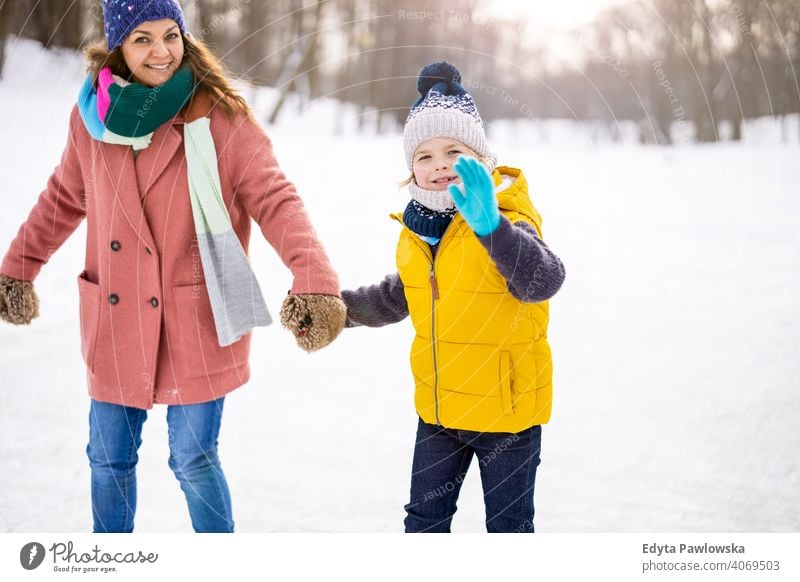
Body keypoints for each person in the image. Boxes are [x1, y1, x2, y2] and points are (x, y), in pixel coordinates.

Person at [0, 0, 345, 532]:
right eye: (142, 39)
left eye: (170, 35)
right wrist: (17, 268)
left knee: (193, 460)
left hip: (194, 316)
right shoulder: (90, 116)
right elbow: (64, 197)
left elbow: (276, 199)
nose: (161, 51)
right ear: (117, 46)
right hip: (117, 316)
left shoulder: (218, 115)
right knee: (107, 461)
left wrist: (315, 281)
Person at [340, 62, 566, 533]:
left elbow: (542, 280)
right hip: (440, 413)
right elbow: (399, 296)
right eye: (424, 155)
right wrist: (337, 310)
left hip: (509, 419)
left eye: (453, 150)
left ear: (480, 157)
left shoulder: (507, 215)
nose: (439, 163)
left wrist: (490, 228)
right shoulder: (416, 232)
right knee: (423, 522)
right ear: (411, 170)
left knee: (508, 529)